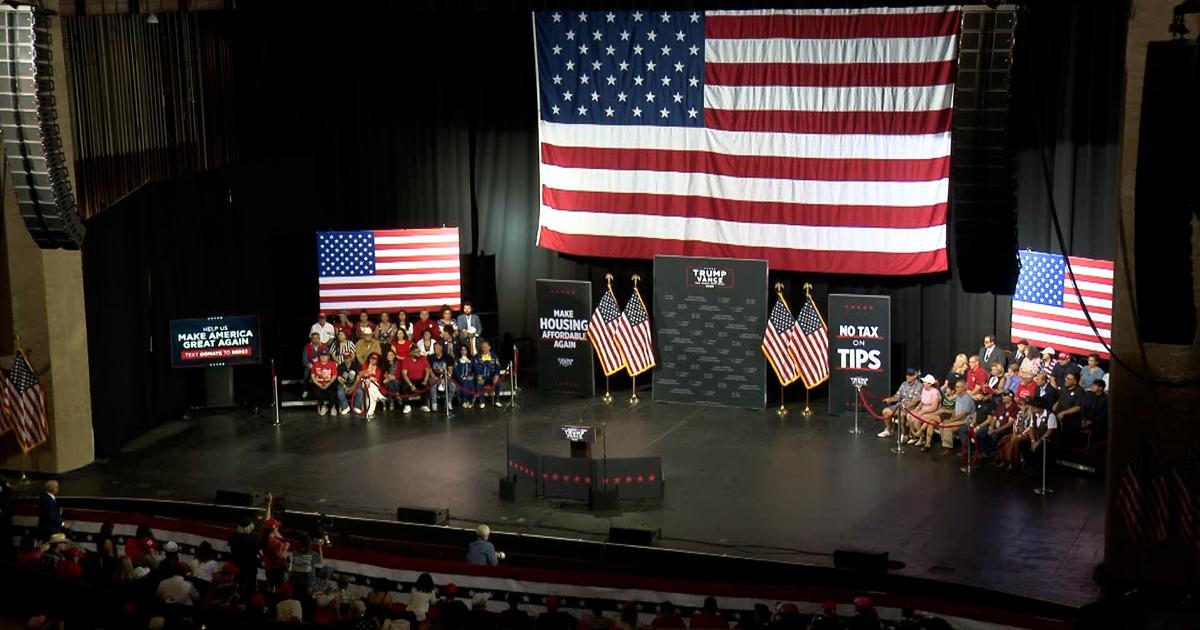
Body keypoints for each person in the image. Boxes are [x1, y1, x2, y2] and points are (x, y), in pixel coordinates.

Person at [877, 368, 921, 439]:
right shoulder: (904, 384)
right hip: (900, 405)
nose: (907, 376)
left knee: (902, 414)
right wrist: (890, 399)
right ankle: (888, 430)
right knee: (885, 411)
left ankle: (904, 434)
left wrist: (905, 407)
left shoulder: (919, 386)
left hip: (911, 408)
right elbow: (897, 396)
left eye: (910, 375)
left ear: (915, 376)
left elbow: (915, 401)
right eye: (907, 375)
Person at [1019, 397, 1058, 471]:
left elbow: (1049, 431)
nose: (1032, 409)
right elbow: (1031, 428)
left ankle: (1037, 468)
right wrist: (1033, 441)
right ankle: (1029, 464)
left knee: (1039, 448)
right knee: (1023, 444)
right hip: (1036, 437)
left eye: (1034, 407)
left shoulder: (1050, 415)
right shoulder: (1034, 415)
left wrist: (1038, 442)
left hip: (1047, 439)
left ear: (1039, 407)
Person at [227, 516, 259, 600]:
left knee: (238, 590)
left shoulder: (233, 538)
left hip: (238, 569)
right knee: (251, 591)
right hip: (250, 569)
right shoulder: (253, 539)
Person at [261, 497, 290, 588]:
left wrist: (268, 503)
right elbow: (281, 555)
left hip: (269, 568)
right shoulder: (275, 543)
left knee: (270, 587)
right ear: (273, 529)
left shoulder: (264, 536)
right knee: (278, 588)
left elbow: (267, 519)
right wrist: (286, 546)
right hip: (276, 570)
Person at [980, 391, 1018, 458]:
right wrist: (991, 427)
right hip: (996, 427)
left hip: (1006, 430)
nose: (1003, 397)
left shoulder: (1014, 407)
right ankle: (985, 452)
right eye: (1003, 395)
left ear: (1011, 397)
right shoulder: (1000, 405)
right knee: (982, 432)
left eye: (1005, 396)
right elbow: (994, 418)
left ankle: (992, 454)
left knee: (994, 435)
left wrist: (997, 430)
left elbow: (1009, 424)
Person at [907, 374, 941, 448]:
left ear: (930, 384)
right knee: (909, 416)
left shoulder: (935, 392)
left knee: (916, 419)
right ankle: (915, 435)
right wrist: (918, 408)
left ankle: (921, 438)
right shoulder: (924, 389)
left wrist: (923, 412)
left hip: (931, 412)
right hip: (923, 410)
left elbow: (934, 407)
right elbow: (922, 402)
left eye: (925, 382)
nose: (923, 383)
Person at [943, 379, 976, 455]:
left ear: (964, 388)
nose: (955, 388)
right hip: (958, 419)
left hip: (965, 421)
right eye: (955, 387)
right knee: (943, 425)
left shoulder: (967, 399)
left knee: (947, 426)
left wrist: (951, 421)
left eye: (957, 387)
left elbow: (963, 414)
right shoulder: (958, 396)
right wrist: (951, 418)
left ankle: (949, 448)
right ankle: (946, 445)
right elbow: (955, 409)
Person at [289, 532, 324, 598]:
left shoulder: (294, 553)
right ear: (309, 544)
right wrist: (319, 547)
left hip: (295, 582)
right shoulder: (312, 554)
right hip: (308, 582)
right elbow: (321, 564)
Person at [352, 352, 386, 418]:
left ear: (377, 360)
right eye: (371, 358)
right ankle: (379, 396)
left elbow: (377, 379)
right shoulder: (365, 365)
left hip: (373, 385)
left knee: (370, 392)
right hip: (363, 383)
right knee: (369, 384)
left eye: (375, 359)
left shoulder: (378, 368)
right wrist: (368, 370)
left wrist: (369, 377)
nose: (373, 360)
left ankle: (369, 412)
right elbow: (360, 374)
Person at [401, 344, 432, 414]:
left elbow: (427, 370)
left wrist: (425, 380)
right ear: (411, 353)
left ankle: (424, 404)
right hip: (410, 379)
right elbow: (404, 374)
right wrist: (411, 384)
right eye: (416, 352)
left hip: (420, 379)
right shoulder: (406, 360)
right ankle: (407, 405)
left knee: (426, 385)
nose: (419, 353)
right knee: (404, 386)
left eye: (419, 351)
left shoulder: (423, 358)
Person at [474, 339, 504, 408]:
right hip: (482, 376)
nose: (483, 349)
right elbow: (476, 367)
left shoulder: (494, 356)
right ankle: (482, 401)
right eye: (482, 347)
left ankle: (497, 400)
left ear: (489, 347)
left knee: (498, 383)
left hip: (492, 376)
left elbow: (498, 366)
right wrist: (479, 376)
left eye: (485, 347)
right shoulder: (477, 356)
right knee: (479, 383)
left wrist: (496, 375)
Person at [310, 348, 339, 416]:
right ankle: (323, 406)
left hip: (329, 382)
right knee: (316, 392)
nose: (323, 357)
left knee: (332, 391)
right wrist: (318, 384)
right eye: (322, 355)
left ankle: (332, 407)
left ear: (328, 356)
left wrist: (328, 383)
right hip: (319, 383)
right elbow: (312, 375)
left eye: (325, 355)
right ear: (319, 356)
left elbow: (334, 375)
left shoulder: (332, 364)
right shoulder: (316, 364)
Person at [1081, 379, 1109, 444]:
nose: (1092, 386)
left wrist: (1092, 421)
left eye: (1095, 385)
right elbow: (1083, 407)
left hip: (1097, 423)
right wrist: (1083, 419)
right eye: (1093, 385)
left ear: (1100, 388)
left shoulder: (1106, 399)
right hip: (1085, 421)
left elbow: (1104, 414)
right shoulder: (1088, 395)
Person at [429, 342, 453, 412]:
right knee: (433, 385)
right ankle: (434, 403)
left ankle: (448, 402)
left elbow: (450, 370)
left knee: (453, 386)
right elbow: (430, 371)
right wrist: (436, 378)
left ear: (441, 348)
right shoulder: (430, 357)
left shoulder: (448, 357)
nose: (435, 349)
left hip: (445, 377)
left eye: (437, 348)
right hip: (434, 377)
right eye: (434, 348)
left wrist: (444, 379)